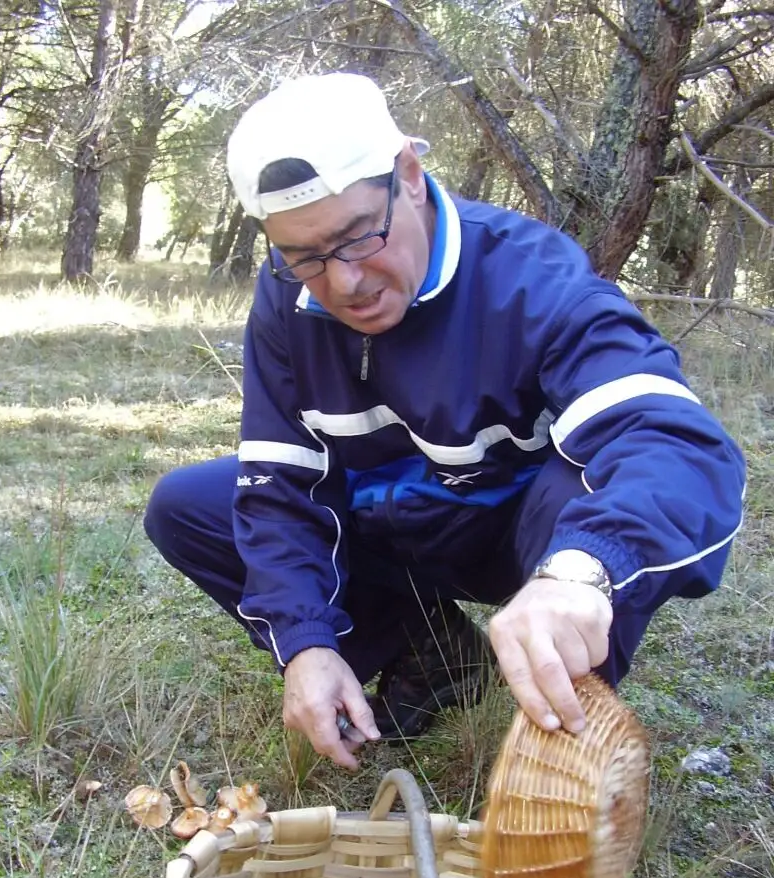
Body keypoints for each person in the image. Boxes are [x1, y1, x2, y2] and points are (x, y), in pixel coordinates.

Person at [144, 72, 745, 771]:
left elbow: (675, 441)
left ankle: (563, 726)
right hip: (388, 521)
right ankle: (427, 653)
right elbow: (281, 484)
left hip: (521, 543)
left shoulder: (530, 276)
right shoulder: (285, 299)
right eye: (304, 256)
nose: (345, 283)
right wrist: (305, 642)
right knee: (191, 506)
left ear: (408, 174)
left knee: (587, 488)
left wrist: (581, 571)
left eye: (357, 238)